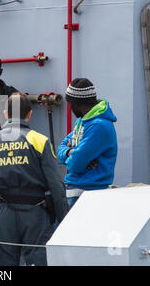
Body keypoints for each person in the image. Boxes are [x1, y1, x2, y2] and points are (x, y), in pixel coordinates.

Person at [0, 92, 68, 266]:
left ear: (5, 114)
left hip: (1, 213)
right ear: (29, 114)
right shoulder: (40, 141)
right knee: (37, 261)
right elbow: (56, 186)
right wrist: (61, 219)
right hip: (35, 212)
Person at [57, 78, 118, 209]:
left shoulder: (98, 126)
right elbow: (60, 149)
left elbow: (75, 165)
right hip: (78, 191)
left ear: (75, 104)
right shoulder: (82, 122)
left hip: (89, 194)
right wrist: (71, 152)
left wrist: (77, 156)